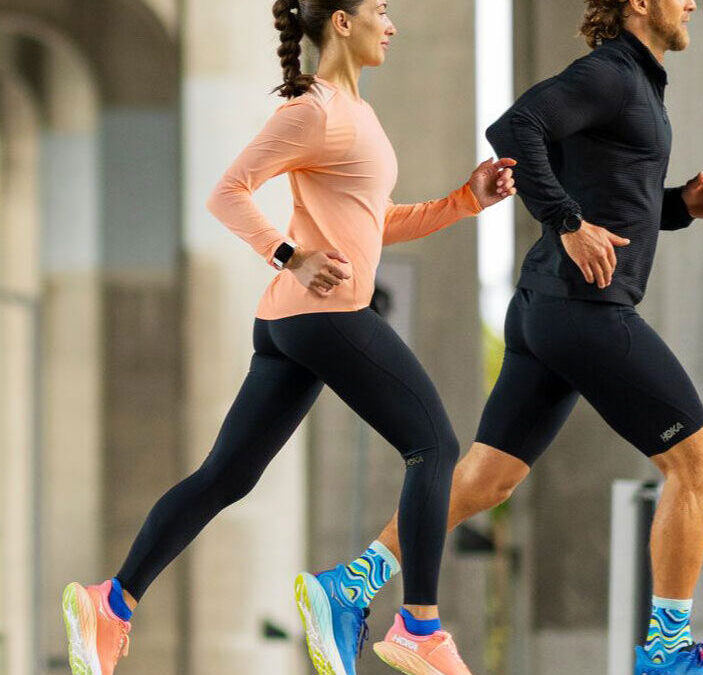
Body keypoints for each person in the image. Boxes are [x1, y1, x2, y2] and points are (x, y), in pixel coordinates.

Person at [60, 1, 516, 674]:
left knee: (228, 475)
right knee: (435, 445)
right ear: (341, 21)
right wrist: (288, 253)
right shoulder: (314, 111)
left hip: (294, 326)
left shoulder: (356, 115)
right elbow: (228, 192)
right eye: (381, 11)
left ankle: (114, 600)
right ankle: (417, 623)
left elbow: (373, 222)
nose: (390, 25)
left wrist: (466, 199)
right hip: (321, 316)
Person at [316, 1, 703, 674]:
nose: (692, 1)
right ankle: (667, 650)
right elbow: (513, 126)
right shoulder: (610, 74)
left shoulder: (635, 84)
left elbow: (611, 193)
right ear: (639, 4)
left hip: (546, 310)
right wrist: (568, 222)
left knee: (486, 479)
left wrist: (677, 206)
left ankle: (349, 585)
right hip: (585, 311)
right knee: (700, 465)